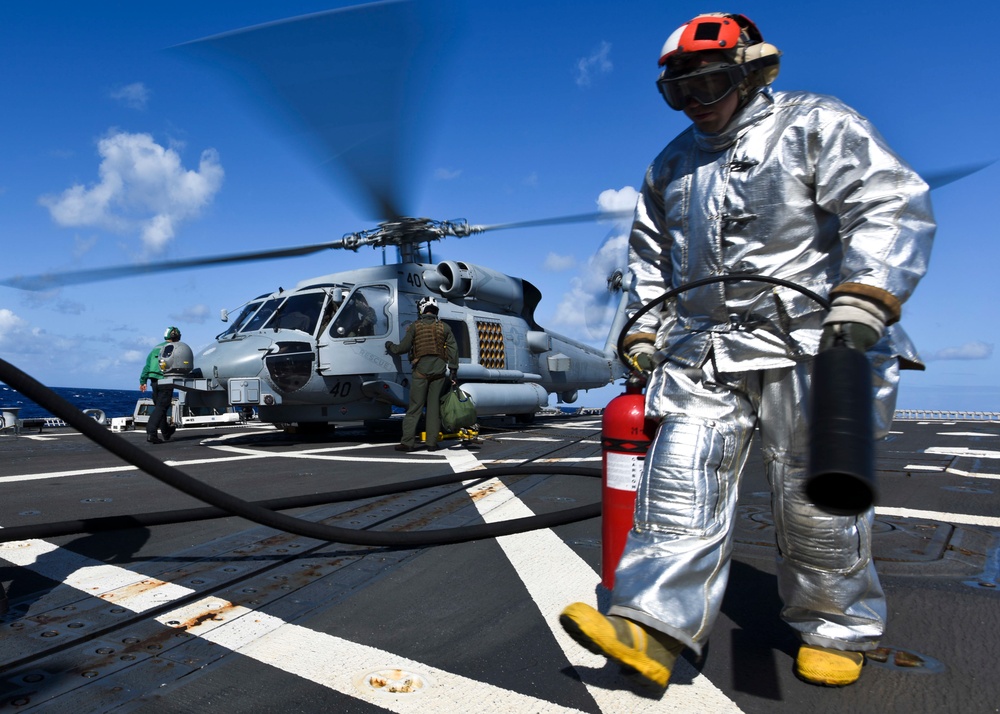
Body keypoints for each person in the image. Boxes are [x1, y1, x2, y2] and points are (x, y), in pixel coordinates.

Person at [560, 12, 935, 689]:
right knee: (678, 483)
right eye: (683, 93)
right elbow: (648, 260)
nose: (700, 103)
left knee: (814, 497)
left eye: (713, 84)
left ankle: (835, 628)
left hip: (814, 342)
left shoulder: (815, 124)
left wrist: (866, 294)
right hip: (704, 352)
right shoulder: (670, 165)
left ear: (752, 73)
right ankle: (653, 625)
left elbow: (889, 202)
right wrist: (642, 334)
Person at [385, 296, 459, 452]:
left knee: (415, 408)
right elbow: (453, 349)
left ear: (422, 309)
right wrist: (453, 370)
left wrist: (390, 346)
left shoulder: (415, 327)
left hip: (420, 372)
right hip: (439, 372)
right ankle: (432, 443)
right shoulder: (444, 327)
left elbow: (402, 348)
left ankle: (407, 442)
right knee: (434, 408)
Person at [139, 326, 182, 444]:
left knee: (160, 406)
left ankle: (166, 432)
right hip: (165, 380)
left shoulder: (155, 348)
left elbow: (147, 365)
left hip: (154, 381)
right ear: (176, 336)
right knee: (162, 407)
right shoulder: (174, 347)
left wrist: (143, 381)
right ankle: (151, 432)